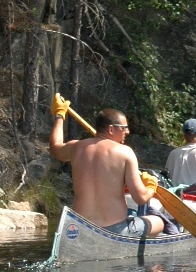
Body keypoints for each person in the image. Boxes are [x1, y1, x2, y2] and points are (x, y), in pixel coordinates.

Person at [49, 97, 165, 236]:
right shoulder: (125, 152)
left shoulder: (76, 147)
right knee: (159, 222)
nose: (127, 132)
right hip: (115, 229)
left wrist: (59, 115)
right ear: (111, 129)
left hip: (79, 227)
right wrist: (151, 186)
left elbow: (55, 147)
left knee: (132, 213)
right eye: (124, 128)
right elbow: (140, 198)